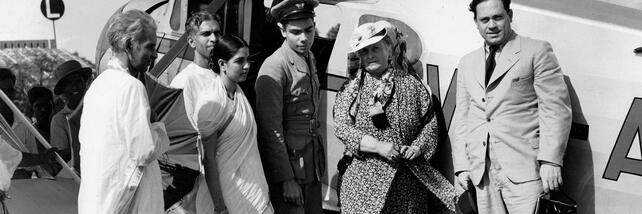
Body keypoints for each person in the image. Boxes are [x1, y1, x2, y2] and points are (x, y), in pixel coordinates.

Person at [451, 0, 573, 213]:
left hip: (525, 171)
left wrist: (552, 161)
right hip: (482, 174)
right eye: (484, 20)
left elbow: (555, 110)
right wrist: (462, 166)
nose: (492, 25)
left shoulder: (537, 51)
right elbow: (462, 117)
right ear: (476, 23)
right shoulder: (467, 62)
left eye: (498, 17)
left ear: (510, 15)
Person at [333, 20, 456, 213]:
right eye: (364, 51)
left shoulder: (413, 86)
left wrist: (417, 147)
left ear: (389, 49)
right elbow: (342, 127)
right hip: (363, 185)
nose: (371, 55)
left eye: (376, 48)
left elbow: (429, 125)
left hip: (406, 187)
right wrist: (378, 146)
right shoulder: (351, 90)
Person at [78, 9, 169, 214]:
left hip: (98, 201)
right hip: (125, 204)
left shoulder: (97, 86)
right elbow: (144, 151)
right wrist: (158, 128)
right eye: (150, 46)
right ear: (129, 45)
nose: (154, 54)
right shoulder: (131, 87)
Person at [254, 0, 325, 213]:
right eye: (295, 32)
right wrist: (286, 179)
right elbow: (270, 130)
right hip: (291, 168)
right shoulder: (275, 67)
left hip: (311, 164)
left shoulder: (308, 57)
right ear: (282, 30)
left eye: (309, 30)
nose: (304, 38)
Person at [192, 34, 274, 213]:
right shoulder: (211, 101)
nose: (246, 66)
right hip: (226, 194)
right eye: (239, 61)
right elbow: (209, 160)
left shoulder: (238, 92)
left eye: (248, 60)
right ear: (222, 64)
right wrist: (220, 207)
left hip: (253, 189)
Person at [168, 10, 228, 214]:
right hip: (197, 180)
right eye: (206, 34)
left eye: (218, 33)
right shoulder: (185, 81)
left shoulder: (221, 78)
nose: (214, 39)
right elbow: (183, 140)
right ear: (192, 42)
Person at [50, 60, 91, 172]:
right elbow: (62, 156)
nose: (75, 86)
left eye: (78, 81)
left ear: (84, 82)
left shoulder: (96, 107)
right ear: (63, 89)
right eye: (69, 83)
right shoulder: (59, 120)